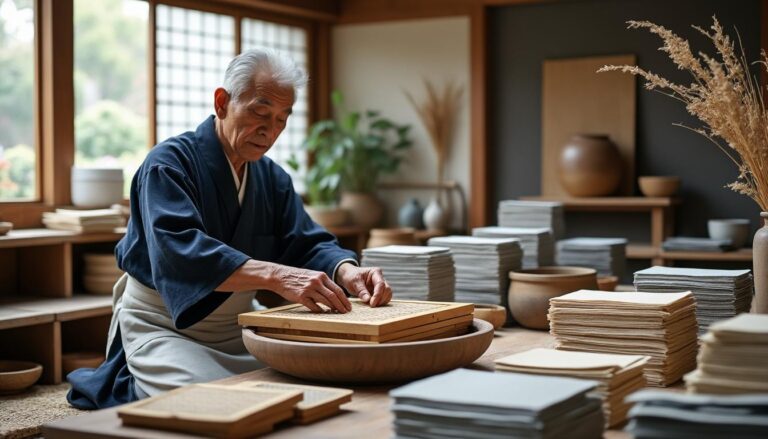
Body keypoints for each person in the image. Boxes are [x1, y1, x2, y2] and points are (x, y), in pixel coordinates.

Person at [67, 49, 392, 409]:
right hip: (166, 326)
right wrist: (276, 276)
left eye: (282, 119)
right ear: (222, 102)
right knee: (215, 401)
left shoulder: (272, 178)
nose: (270, 130)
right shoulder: (168, 165)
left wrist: (346, 271)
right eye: (260, 112)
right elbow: (180, 252)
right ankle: (133, 375)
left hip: (238, 325)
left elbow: (306, 241)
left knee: (299, 382)